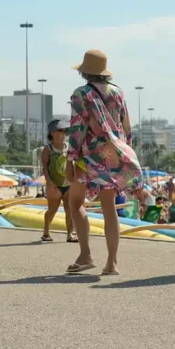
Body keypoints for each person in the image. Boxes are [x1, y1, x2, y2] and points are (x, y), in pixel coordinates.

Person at [64, 50, 142, 275]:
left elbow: (77, 128)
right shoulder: (117, 92)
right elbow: (126, 126)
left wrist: (71, 158)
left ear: (84, 71)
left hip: (88, 156)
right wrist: (124, 151)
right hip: (113, 155)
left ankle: (85, 254)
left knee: (76, 202)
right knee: (110, 208)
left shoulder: (82, 94)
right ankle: (112, 263)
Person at [40, 119, 77, 243]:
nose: (62, 135)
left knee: (70, 209)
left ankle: (70, 234)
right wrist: (49, 181)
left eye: (63, 132)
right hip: (54, 184)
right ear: (52, 134)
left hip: (68, 183)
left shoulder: (68, 148)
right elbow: (44, 167)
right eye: (59, 132)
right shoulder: (48, 149)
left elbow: (73, 163)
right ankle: (46, 231)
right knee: (52, 210)